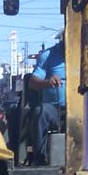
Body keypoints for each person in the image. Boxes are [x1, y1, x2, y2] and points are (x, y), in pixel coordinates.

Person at [26, 31, 65, 163]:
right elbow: (32, 82)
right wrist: (47, 82)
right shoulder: (48, 55)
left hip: (82, 106)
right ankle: (39, 158)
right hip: (55, 108)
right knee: (40, 112)